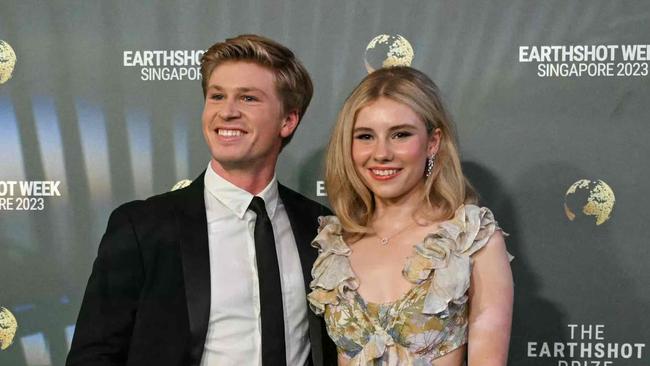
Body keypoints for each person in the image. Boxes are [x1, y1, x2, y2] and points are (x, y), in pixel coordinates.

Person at [67, 34, 336, 366]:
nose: (227, 112)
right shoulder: (143, 228)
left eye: (248, 98)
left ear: (288, 120)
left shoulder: (321, 228)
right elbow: (93, 356)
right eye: (217, 96)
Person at [308, 66, 513, 365]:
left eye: (400, 135)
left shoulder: (470, 240)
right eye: (365, 136)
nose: (381, 153)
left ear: (433, 142)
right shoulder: (335, 244)